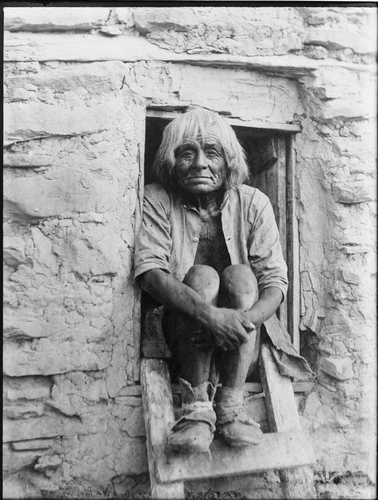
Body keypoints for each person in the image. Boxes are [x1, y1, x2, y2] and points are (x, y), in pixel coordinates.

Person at [134, 109, 303, 454]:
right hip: (181, 336)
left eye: (211, 152)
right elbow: (150, 273)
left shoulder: (254, 203)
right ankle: (197, 409)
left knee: (240, 276)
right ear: (171, 161)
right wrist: (211, 318)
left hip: (242, 340)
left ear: (229, 163)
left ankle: (230, 404)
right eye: (187, 152)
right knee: (202, 276)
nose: (199, 163)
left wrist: (238, 322)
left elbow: (275, 283)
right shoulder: (157, 198)